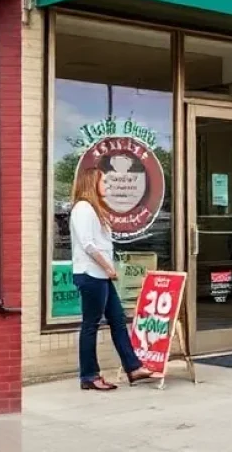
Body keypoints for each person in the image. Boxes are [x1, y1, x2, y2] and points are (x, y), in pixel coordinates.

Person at [70, 166, 154, 391]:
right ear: (91, 183)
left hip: (101, 276)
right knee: (91, 325)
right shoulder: (83, 209)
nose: (107, 186)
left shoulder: (95, 209)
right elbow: (88, 244)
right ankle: (89, 376)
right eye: (103, 182)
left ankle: (133, 368)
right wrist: (108, 268)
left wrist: (107, 270)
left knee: (117, 320)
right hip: (91, 275)